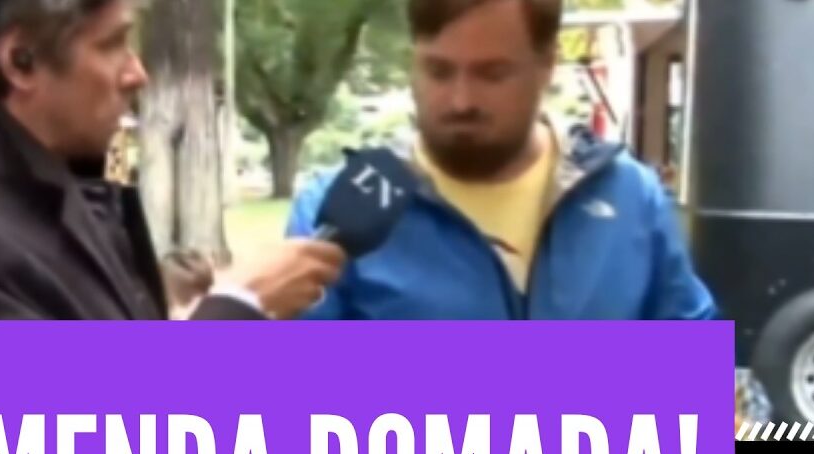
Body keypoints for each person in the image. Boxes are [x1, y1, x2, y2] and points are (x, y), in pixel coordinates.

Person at [0, 0, 343, 320]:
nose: (137, 73)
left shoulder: (50, 200)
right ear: (21, 61)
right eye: (112, 44)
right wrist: (238, 307)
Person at [287, 0, 716, 320]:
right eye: (439, 71)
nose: (461, 100)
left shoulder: (631, 198)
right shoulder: (336, 210)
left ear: (546, 66)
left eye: (492, 74)